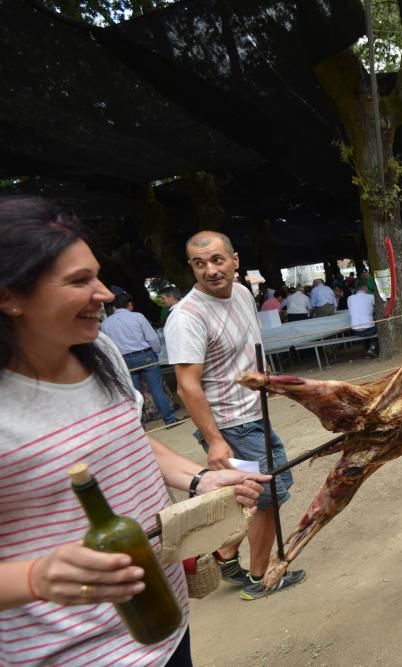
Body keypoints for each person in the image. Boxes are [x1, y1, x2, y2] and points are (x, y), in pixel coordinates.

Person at [0, 196, 268, 666]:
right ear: (10, 296)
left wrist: (201, 479)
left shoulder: (98, 350)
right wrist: (36, 578)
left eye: (97, 275)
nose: (104, 294)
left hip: (164, 622)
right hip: (73, 653)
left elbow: (126, 438)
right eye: (79, 281)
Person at [166, 231, 306, 601]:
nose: (210, 270)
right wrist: (214, 440)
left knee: (250, 494)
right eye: (200, 264)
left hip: (254, 414)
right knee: (267, 494)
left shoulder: (243, 294)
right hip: (231, 425)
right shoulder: (187, 317)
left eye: (216, 260)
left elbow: (247, 354)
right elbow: (187, 386)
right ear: (191, 268)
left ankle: (225, 555)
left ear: (235, 260)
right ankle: (259, 578)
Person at [100, 292, 179, 427]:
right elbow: (152, 338)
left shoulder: (106, 323)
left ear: (114, 307)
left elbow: (108, 345)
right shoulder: (137, 317)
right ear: (129, 304)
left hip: (124, 360)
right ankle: (169, 420)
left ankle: (140, 425)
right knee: (157, 389)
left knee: (133, 393)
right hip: (145, 356)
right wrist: (157, 351)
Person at [347, 283, 378, 358]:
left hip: (355, 330)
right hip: (369, 330)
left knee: (366, 327)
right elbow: (377, 307)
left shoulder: (350, 298)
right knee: (378, 327)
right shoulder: (370, 297)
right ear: (366, 289)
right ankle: (372, 347)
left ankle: (367, 350)